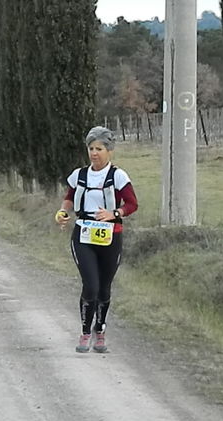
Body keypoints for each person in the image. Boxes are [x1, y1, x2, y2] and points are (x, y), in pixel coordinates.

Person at [55, 126, 138, 353]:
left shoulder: (118, 176)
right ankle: (84, 332)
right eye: (91, 148)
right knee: (90, 285)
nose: (94, 153)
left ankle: (99, 330)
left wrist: (115, 214)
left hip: (111, 237)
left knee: (104, 288)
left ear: (109, 151)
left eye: (99, 149)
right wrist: (63, 212)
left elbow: (132, 204)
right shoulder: (79, 175)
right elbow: (69, 198)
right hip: (83, 234)